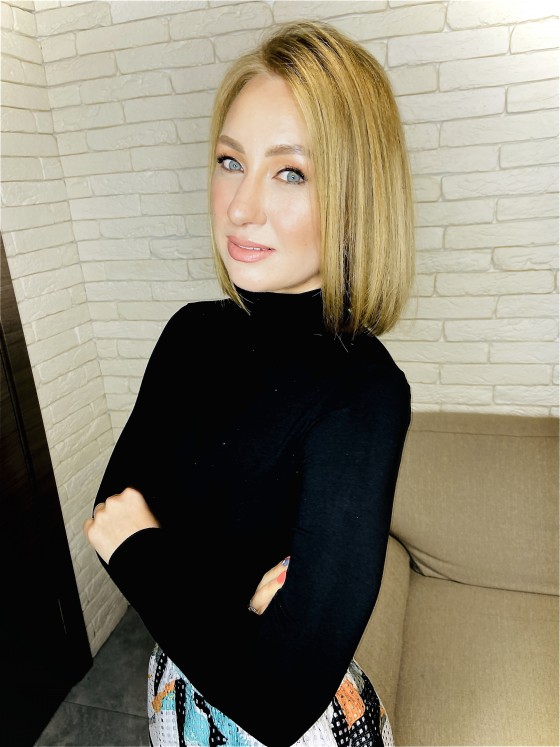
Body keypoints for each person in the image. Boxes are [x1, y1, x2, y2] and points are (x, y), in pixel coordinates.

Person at [83, 18, 415, 747]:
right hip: (176, 689)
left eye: (290, 172)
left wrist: (151, 550)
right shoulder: (190, 333)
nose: (241, 206)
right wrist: (239, 602)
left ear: (356, 197)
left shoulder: (363, 392)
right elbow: (110, 516)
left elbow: (279, 695)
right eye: (230, 161)